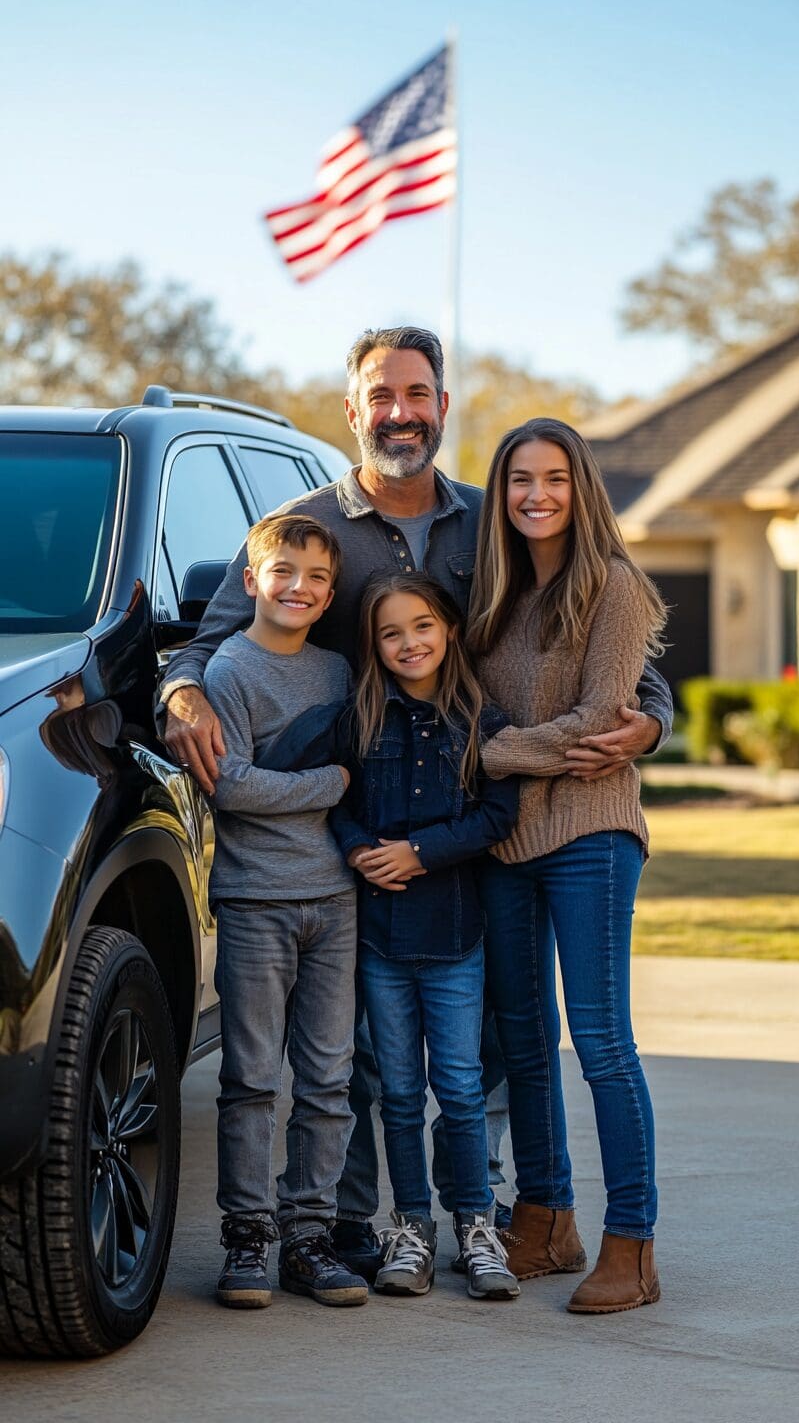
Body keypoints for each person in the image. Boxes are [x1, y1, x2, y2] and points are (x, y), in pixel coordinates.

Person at [158, 327, 673, 1278]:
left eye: (419, 393)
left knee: (488, 1049)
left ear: (442, 406)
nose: (401, 411)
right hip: (355, 841)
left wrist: (654, 715)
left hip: (481, 825)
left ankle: (489, 1214)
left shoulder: (495, 520)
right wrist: (180, 694)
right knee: (361, 1054)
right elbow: (208, 640)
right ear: (352, 410)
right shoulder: (305, 525)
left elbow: (610, 643)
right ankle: (351, 1227)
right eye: (381, 395)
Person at [261, 573, 521, 1301]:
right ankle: (411, 1227)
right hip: (378, 942)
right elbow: (338, 797)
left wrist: (422, 851)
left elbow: (497, 817)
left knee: (461, 1089)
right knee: (399, 1092)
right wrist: (355, 848)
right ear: (373, 646)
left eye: (423, 626)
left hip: (455, 937)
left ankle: (474, 1224)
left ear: (448, 631)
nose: (410, 643)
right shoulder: (360, 718)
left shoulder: (483, 724)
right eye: (391, 633)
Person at [468, 417, 668, 1313]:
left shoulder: (615, 587)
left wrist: (497, 754)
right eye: (519, 480)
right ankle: (545, 1220)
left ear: (579, 487)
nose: (536, 495)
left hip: (592, 831)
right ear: (500, 493)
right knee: (523, 1041)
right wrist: (505, 754)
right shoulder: (491, 595)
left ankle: (633, 1245)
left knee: (601, 1041)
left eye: (553, 478)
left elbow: (601, 720)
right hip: (506, 841)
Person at [204, 512, 368, 1309]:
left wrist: (335, 787)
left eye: (315, 579)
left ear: (329, 592)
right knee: (250, 1079)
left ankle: (308, 1236)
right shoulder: (228, 672)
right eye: (283, 574)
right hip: (254, 901)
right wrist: (324, 788)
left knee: (330, 1078)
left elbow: (364, 768)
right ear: (251, 582)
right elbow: (230, 786)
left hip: (336, 900)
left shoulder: (339, 675)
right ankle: (247, 1240)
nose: (298, 588)